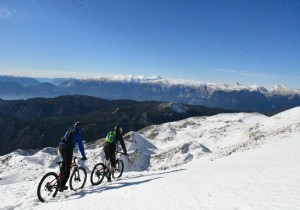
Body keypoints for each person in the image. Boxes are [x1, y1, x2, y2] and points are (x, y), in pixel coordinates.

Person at [58, 122, 87, 191]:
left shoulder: (69, 131)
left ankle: (60, 177)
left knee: (65, 163)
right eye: (80, 127)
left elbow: (64, 138)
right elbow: (81, 147)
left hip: (60, 146)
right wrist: (84, 156)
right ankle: (62, 186)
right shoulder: (78, 135)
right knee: (67, 170)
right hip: (68, 149)